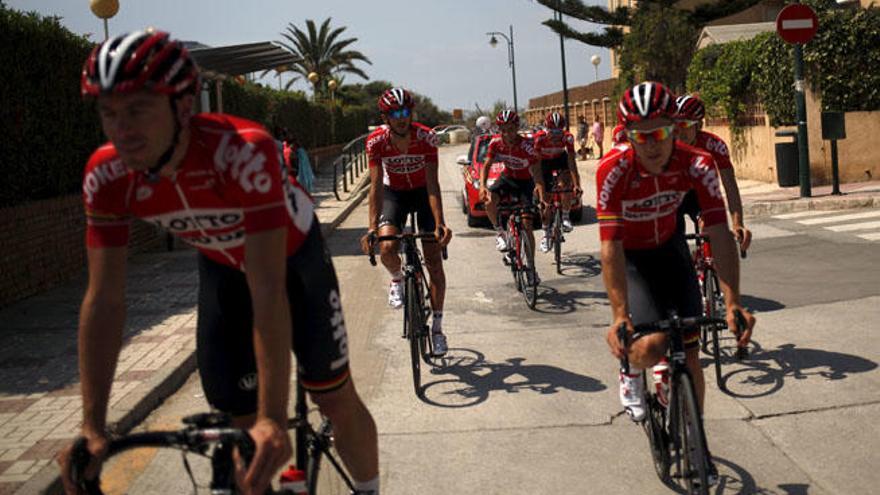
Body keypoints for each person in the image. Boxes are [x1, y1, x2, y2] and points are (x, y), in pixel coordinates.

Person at [58, 30, 380, 495]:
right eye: (108, 113)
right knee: (240, 431)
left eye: (137, 110)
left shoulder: (243, 152)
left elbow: (268, 289)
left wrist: (274, 418)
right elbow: (104, 300)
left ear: (184, 106)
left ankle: (369, 488)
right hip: (223, 273)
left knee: (332, 396)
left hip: (291, 265)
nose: (121, 129)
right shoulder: (106, 174)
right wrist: (93, 426)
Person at [597, 81, 756, 484]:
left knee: (690, 347)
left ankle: (694, 435)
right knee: (650, 345)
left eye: (662, 132)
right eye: (641, 135)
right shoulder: (613, 170)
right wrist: (620, 315)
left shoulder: (697, 162)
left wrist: (732, 300)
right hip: (632, 257)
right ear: (627, 135)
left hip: (669, 250)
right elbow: (611, 247)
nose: (653, 145)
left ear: (676, 128)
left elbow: (718, 232)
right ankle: (630, 371)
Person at [359, 87, 453, 356]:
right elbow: (375, 187)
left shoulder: (426, 137)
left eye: (405, 112)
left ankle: (437, 328)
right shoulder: (376, 142)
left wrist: (439, 223)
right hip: (395, 194)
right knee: (387, 248)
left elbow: (434, 184)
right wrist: (371, 228)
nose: (401, 118)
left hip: (423, 193)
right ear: (385, 117)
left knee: (434, 262)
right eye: (395, 113)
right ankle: (398, 279)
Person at [673, 94, 752, 252]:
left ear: (699, 125)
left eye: (685, 125)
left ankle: (709, 263)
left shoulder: (714, 145)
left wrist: (738, 223)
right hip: (673, 195)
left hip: (700, 194)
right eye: (675, 125)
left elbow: (729, 185)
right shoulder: (666, 146)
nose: (680, 131)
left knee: (709, 227)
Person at [479, 110, 543, 279]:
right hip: (506, 178)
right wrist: (483, 187)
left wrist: (539, 188)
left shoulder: (527, 146)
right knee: (489, 200)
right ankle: (500, 232)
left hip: (524, 182)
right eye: (503, 130)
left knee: (527, 226)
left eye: (511, 129)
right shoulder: (495, 143)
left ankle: (531, 268)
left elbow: (536, 170)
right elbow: (486, 165)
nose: (507, 133)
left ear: (517, 128)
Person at [533, 111, 582, 253]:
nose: (555, 136)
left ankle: (566, 216)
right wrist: (538, 185)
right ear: (546, 129)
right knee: (546, 200)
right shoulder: (539, 139)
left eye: (558, 132)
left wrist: (576, 184)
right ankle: (545, 234)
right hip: (543, 162)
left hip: (560, 159)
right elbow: (535, 166)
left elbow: (572, 162)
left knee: (566, 186)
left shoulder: (568, 138)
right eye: (552, 132)